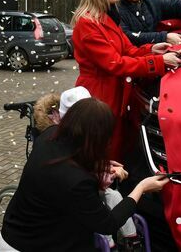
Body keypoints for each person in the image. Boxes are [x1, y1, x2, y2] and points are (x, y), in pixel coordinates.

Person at [0, 97, 169, 252]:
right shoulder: (78, 182)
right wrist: (141, 188)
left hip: (12, 234)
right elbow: (108, 224)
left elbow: (65, 161)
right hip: (33, 245)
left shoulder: (49, 136)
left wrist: (100, 166)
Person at [71, 0, 181, 160]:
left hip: (113, 95)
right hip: (98, 97)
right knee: (101, 155)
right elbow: (115, 63)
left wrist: (152, 49)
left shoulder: (105, 18)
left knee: (115, 152)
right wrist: (158, 62)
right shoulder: (87, 24)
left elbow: (128, 49)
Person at [34, 86, 141, 250]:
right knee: (101, 211)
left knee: (113, 196)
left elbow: (84, 164)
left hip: (74, 194)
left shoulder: (57, 138)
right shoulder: (74, 172)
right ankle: (111, 245)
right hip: (68, 212)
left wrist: (104, 166)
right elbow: (82, 176)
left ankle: (131, 239)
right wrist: (140, 187)